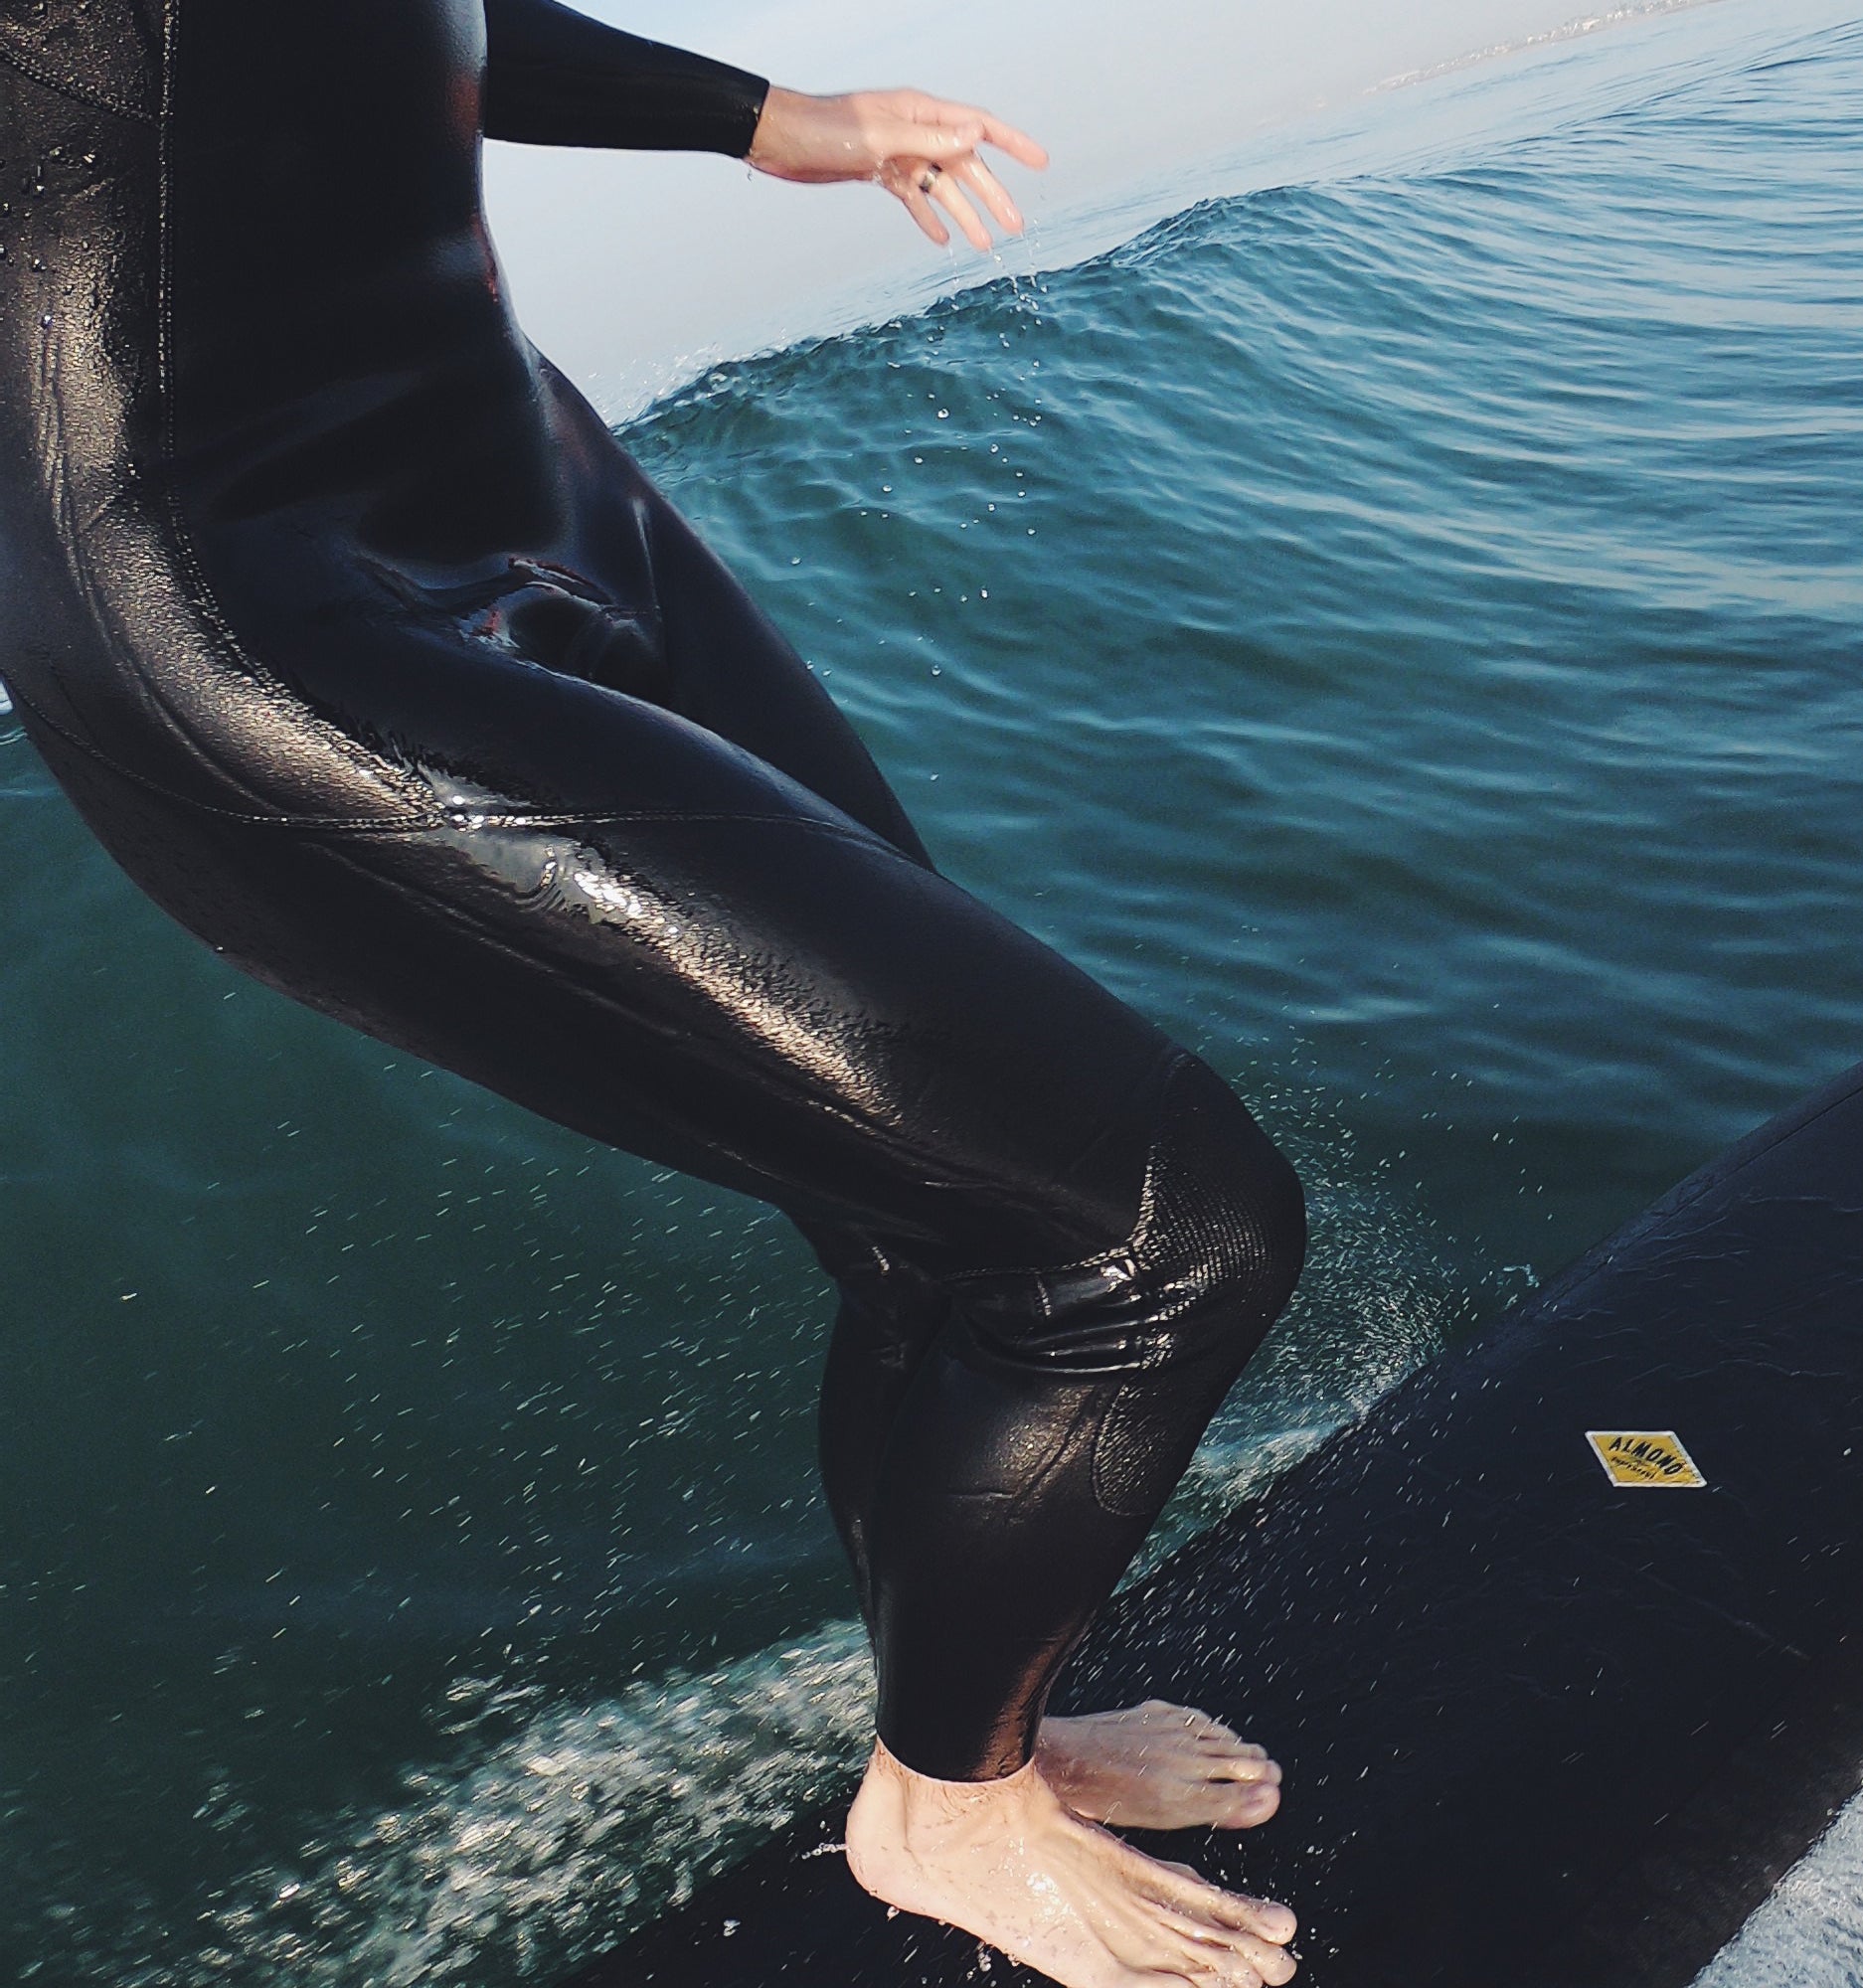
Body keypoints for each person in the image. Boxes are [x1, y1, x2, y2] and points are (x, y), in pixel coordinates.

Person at [0, 4, 1302, 1983]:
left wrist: (778, 117)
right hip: (252, 608)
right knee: (1156, 1232)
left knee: (937, 1219)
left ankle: (983, 1738)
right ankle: (940, 1808)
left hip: (536, 489)